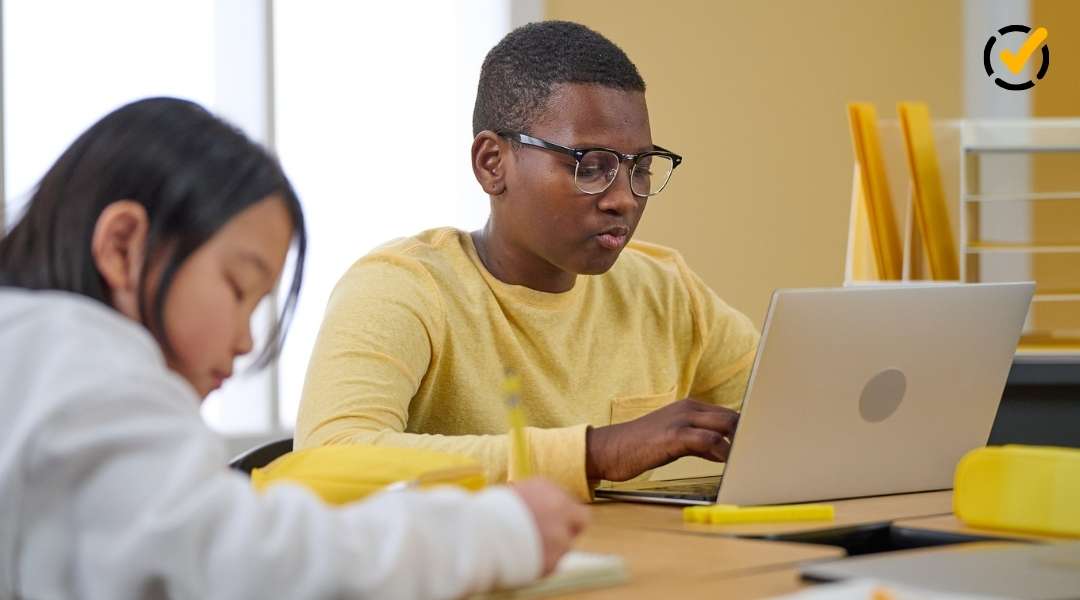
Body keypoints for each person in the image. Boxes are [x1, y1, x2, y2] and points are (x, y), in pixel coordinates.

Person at [0, 97, 586, 599]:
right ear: (123, 246)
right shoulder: (77, 362)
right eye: (237, 288)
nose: (246, 339)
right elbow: (246, 562)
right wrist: (492, 533)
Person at [296, 21, 760, 501]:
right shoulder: (404, 288)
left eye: (639, 168)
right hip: (480, 574)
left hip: (632, 565)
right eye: (591, 165)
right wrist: (592, 453)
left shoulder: (664, 290)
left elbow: (794, 421)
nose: (624, 198)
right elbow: (324, 457)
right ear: (492, 163)